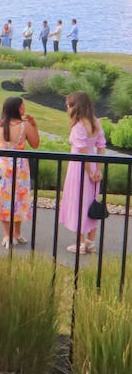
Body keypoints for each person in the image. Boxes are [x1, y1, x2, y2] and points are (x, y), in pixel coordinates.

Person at [0, 96, 39, 249]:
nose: (24, 108)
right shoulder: (25, 126)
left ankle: (7, 235)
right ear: (17, 108)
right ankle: (16, 233)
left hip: (3, 165)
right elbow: (35, 144)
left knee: (3, 199)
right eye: (23, 106)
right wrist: (34, 125)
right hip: (20, 168)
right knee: (18, 198)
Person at [59, 91, 106, 254]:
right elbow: (101, 147)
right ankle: (90, 242)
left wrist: (89, 172)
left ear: (75, 106)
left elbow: (82, 152)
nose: (67, 108)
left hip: (80, 168)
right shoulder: (96, 122)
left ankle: (80, 244)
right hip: (93, 164)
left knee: (78, 202)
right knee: (91, 201)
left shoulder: (79, 126)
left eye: (69, 105)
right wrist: (98, 170)